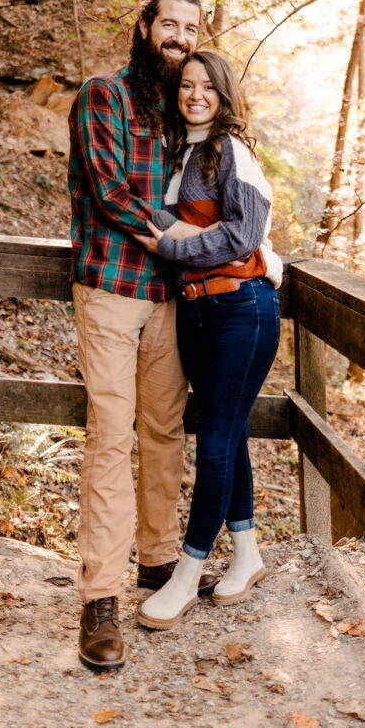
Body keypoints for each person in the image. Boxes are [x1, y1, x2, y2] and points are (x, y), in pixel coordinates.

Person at [68, 0, 217, 673]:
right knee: (109, 433)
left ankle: (156, 561)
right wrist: (177, 240)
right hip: (111, 289)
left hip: (170, 300)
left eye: (190, 28)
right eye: (169, 24)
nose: (179, 38)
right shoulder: (104, 95)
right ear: (145, 26)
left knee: (163, 430)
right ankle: (99, 597)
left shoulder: (184, 112)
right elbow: (110, 190)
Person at [133, 49, 282, 630]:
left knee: (215, 440)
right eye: (186, 86)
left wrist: (174, 243)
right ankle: (246, 555)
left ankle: (188, 574)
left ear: (223, 96)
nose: (195, 95)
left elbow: (243, 234)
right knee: (229, 432)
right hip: (195, 313)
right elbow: (175, 225)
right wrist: (181, 234)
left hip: (241, 311)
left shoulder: (232, 152)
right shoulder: (179, 154)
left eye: (207, 88)